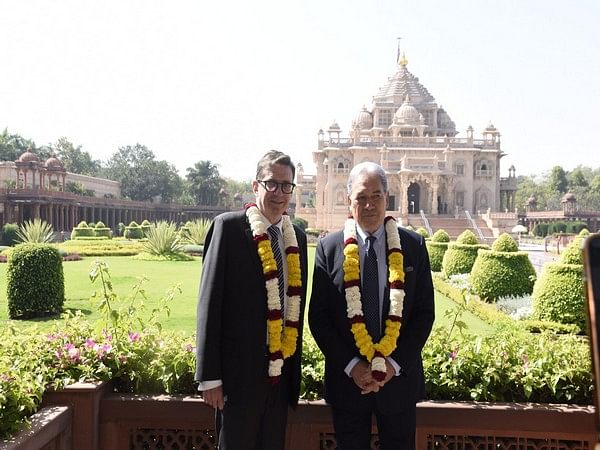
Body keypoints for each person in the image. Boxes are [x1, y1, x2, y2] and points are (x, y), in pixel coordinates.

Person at [308, 161, 435, 450]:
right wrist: (353, 366)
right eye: (361, 198)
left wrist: (392, 364)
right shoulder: (330, 249)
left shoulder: (413, 246)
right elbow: (319, 318)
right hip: (348, 382)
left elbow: (424, 315)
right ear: (349, 202)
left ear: (386, 198)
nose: (369, 205)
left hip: (399, 383)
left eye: (376, 196)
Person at [195, 150, 308, 450]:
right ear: (255, 186)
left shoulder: (296, 236)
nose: (279, 193)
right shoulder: (229, 228)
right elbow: (209, 301)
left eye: (286, 186)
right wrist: (210, 377)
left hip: (279, 378)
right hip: (237, 379)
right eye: (271, 184)